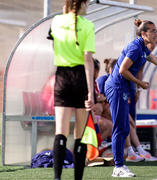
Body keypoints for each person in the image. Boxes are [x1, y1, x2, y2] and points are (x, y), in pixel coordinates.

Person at [105, 19, 157, 177]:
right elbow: (123, 70)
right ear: (144, 34)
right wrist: (139, 83)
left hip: (123, 88)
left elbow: (154, 59)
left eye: (156, 31)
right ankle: (118, 167)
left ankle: (122, 162)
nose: (156, 34)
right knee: (119, 128)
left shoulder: (143, 47)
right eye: (153, 31)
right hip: (116, 87)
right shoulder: (136, 47)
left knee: (124, 128)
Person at [49, 0, 95, 179]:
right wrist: (91, 92)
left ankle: (57, 177)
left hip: (61, 77)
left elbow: (54, 47)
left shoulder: (56, 21)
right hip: (80, 79)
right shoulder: (88, 25)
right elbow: (88, 60)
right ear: (83, 4)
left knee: (60, 131)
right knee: (80, 135)